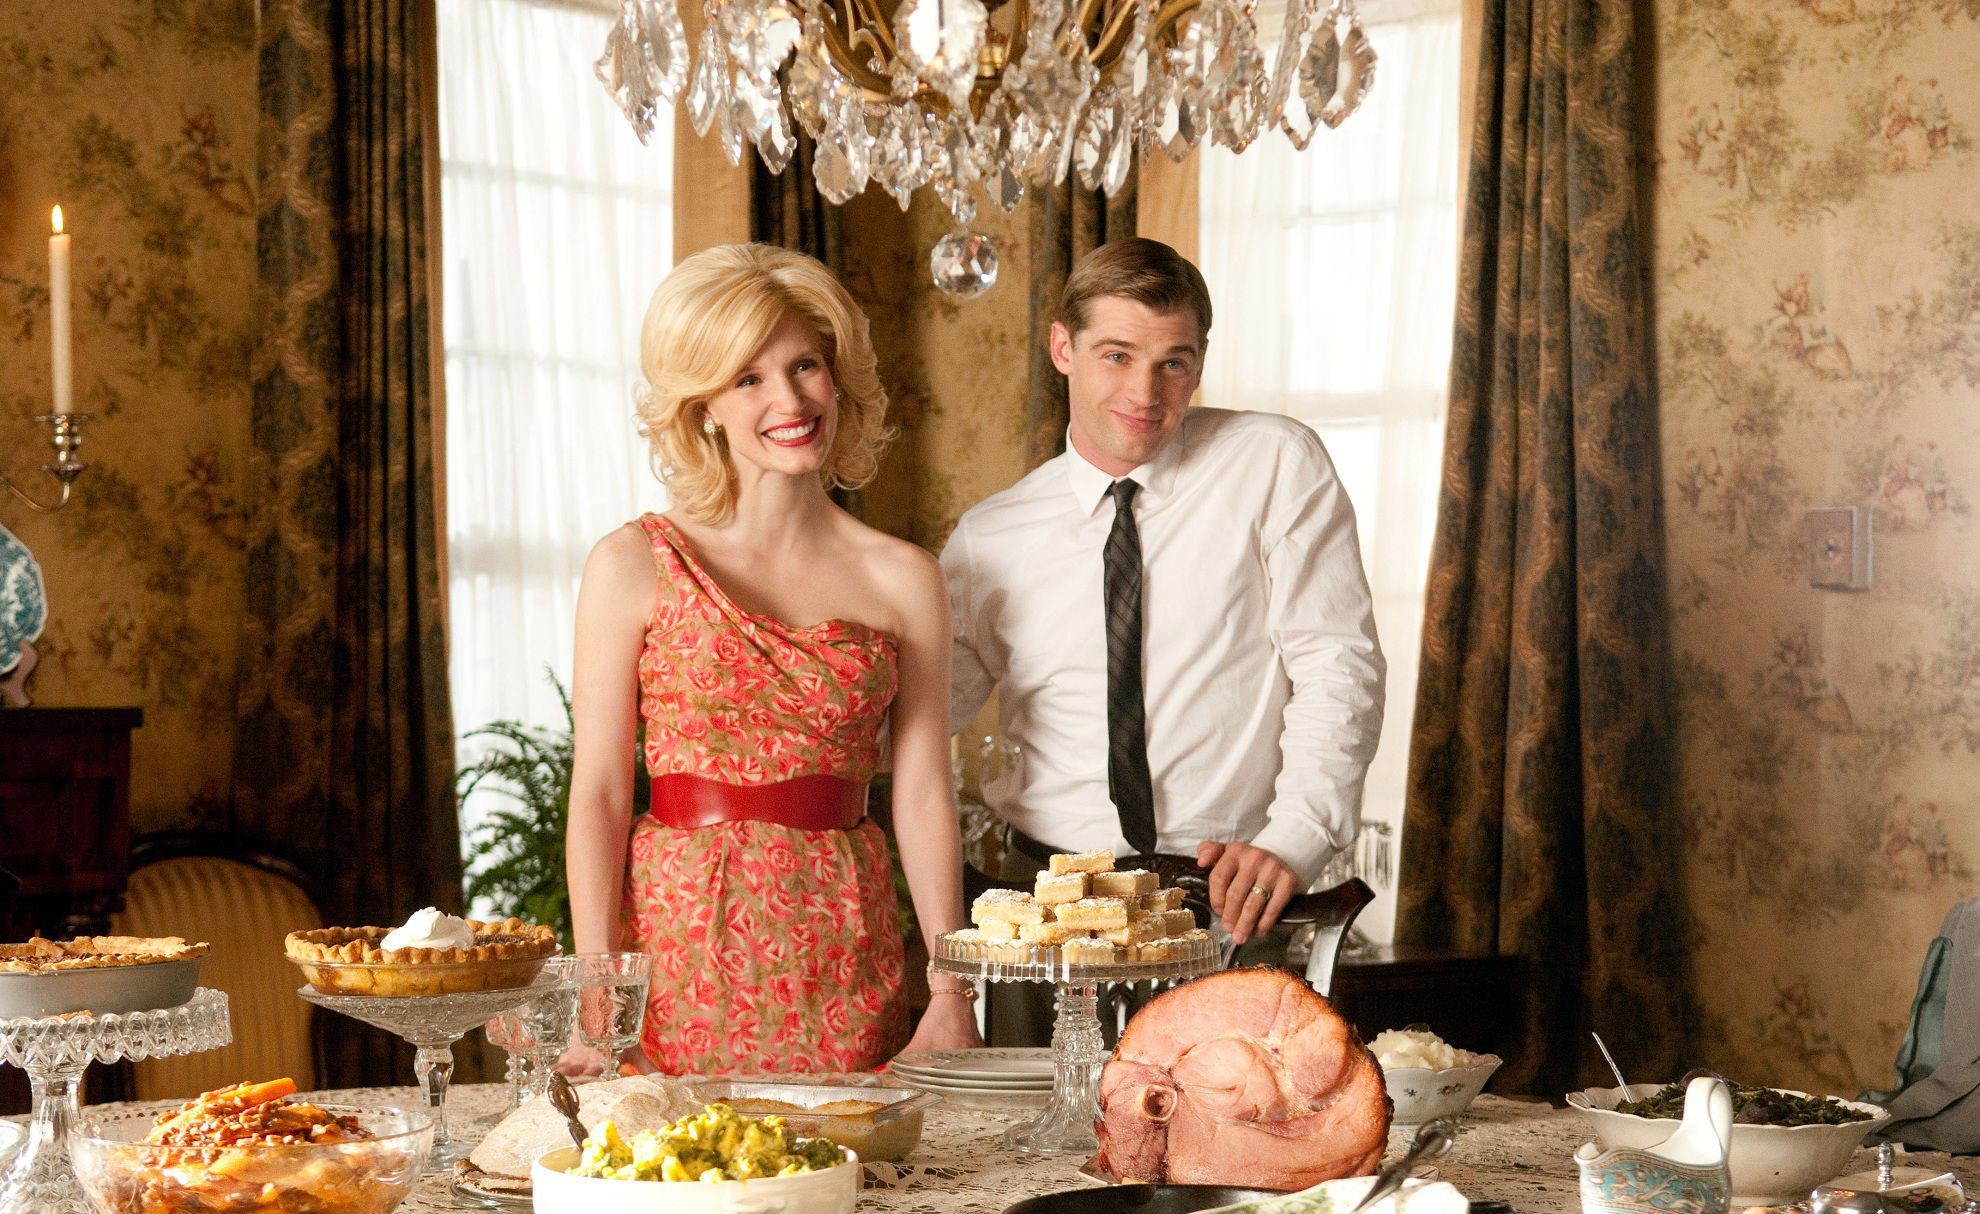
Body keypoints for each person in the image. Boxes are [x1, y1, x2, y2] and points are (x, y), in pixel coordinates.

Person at [566, 243, 982, 1075]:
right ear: (703, 406)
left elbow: (927, 792)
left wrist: (952, 992)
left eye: (805, 366)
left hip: (845, 935)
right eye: (747, 378)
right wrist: (597, 996)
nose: (789, 399)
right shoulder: (632, 563)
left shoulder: (905, 578)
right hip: (679, 941)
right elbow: (604, 792)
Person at [944, 237, 1385, 959]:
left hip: (1230, 897)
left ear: (1200, 361)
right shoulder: (987, 537)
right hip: (1048, 911)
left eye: (1172, 363)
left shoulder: (1273, 463)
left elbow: (1339, 663)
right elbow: (919, 714)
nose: (1144, 395)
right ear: (1063, 347)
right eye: (1116, 355)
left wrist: (1295, 837)